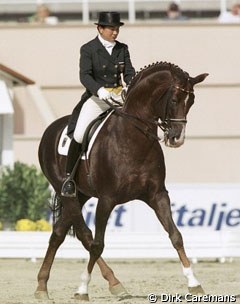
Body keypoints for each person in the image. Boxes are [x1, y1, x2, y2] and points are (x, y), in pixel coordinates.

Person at [61, 11, 135, 197]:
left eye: (117, 28)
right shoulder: (88, 49)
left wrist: (130, 85)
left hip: (119, 96)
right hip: (98, 98)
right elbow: (84, 75)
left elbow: (129, 72)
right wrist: (99, 90)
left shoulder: (122, 48)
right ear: (99, 28)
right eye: (111, 28)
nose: (115, 32)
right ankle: (69, 178)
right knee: (78, 135)